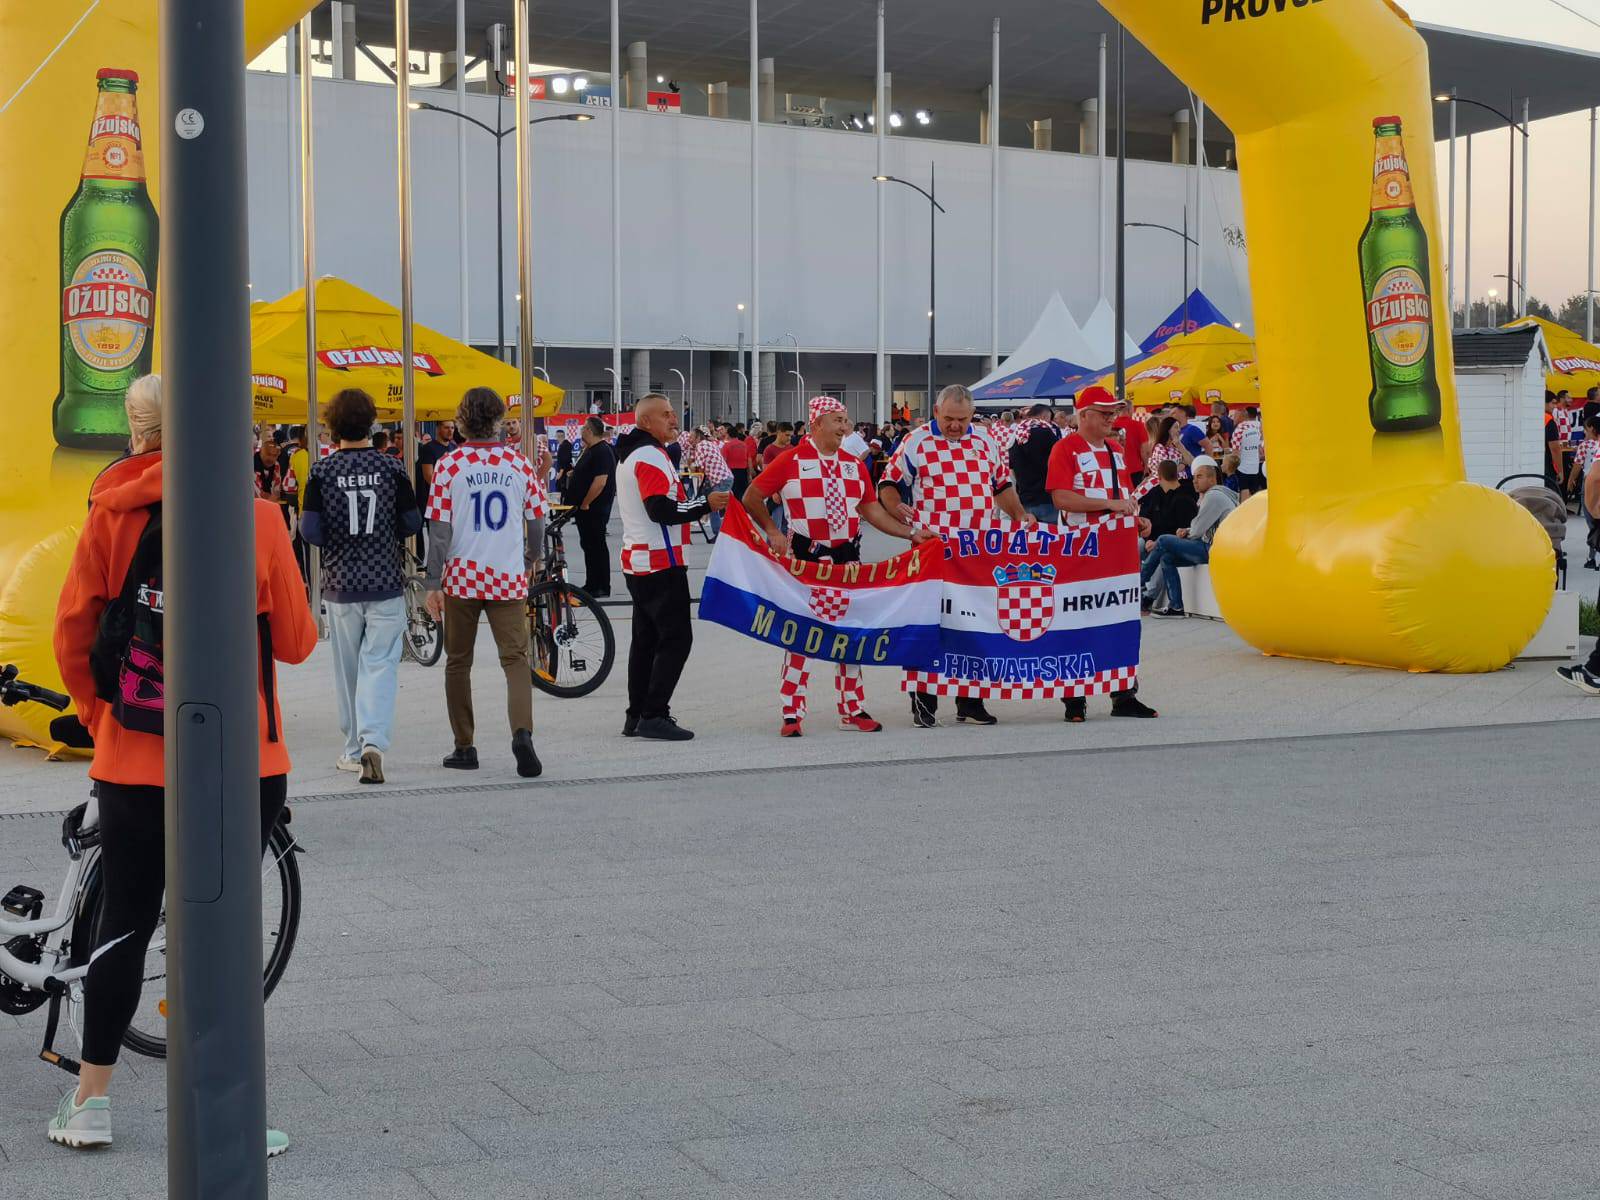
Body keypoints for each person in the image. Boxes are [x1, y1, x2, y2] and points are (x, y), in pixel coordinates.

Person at [50, 374, 317, 1155]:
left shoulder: (109, 514)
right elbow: (297, 642)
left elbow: (73, 636)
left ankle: (92, 1102)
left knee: (124, 921)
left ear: (133, 433)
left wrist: (106, 720)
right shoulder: (259, 518)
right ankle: (230, 1110)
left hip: (135, 761)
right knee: (228, 929)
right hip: (245, 758)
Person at [744, 395, 930, 736]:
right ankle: (791, 710)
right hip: (805, 563)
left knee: (850, 635)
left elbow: (871, 511)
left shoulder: (852, 465)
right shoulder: (790, 461)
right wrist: (771, 531)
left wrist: (911, 534)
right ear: (817, 424)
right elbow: (751, 496)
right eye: (838, 421)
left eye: (846, 420)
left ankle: (852, 708)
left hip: (847, 563)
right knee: (800, 636)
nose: (846, 427)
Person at [880, 384, 1036, 728]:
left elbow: (1001, 486)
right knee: (929, 625)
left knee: (975, 624)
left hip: (979, 550)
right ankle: (923, 699)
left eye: (962, 419)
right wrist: (903, 515)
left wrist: (1020, 515)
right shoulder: (916, 441)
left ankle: (971, 700)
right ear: (936, 412)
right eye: (949, 418)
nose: (955, 425)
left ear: (972, 415)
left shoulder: (985, 441)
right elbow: (888, 484)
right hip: (933, 548)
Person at [299, 387, 421, 785]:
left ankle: (352, 748)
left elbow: (310, 530)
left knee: (347, 669)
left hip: (341, 583)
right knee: (381, 666)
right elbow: (411, 522)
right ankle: (374, 743)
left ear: (332, 426)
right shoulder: (393, 469)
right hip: (384, 581)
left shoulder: (321, 471)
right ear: (372, 423)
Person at [422, 389, 546, 778]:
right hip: (507, 574)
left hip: (462, 577)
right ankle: (522, 733)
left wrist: (432, 581)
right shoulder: (518, 463)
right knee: (515, 660)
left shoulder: (448, 465)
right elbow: (537, 520)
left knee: (459, 661)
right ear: (499, 420)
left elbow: (439, 530)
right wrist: (530, 557)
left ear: (460, 421)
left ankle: (465, 745)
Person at [615, 394, 729, 739]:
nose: (674, 418)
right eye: (665, 414)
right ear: (646, 421)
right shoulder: (649, 455)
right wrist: (703, 504)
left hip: (641, 559)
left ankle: (637, 713)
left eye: (673, 413)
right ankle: (654, 713)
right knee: (676, 639)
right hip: (659, 562)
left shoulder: (634, 454)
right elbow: (661, 510)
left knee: (645, 641)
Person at [1046, 384, 1160, 722]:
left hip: (1116, 550)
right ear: (1084, 415)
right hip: (1080, 549)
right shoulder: (1065, 448)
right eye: (1105, 413)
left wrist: (1135, 518)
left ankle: (1124, 694)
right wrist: (1109, 505)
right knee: (1076, 618)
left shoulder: (1114, 448)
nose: (1113, 419)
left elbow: (1122, 494)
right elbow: (1061, 498)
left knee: (1119, 619)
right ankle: (1074, 699)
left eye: (1114, 413)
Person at [1138, 453, 1238, 620]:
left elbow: (1198, 530)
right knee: (1167, 558)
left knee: (1163, 540)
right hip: (1214, 547)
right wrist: (1186, 530)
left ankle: (1139, 583)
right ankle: (1176, 607)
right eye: (1194, 477)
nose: (1194, 481)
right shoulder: (1218, 494)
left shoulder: (1214, 496)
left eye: (1199, 477)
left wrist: (1186, 532)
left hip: (1214, 549)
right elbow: (1199, 526)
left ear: (1212, 479)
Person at [566, 415, 617, 598]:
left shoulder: (601, 451)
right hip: (585, 509)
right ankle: (592, 582)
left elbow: (600, 482)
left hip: (594, 509)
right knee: (589, 545)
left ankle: (601, 585)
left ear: (589, 430)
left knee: (596, 545)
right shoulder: (590, 449)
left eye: (583, 428)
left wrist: (586, 502)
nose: (581, 431)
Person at [1008, 403, 1062, 524]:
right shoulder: (1048, 433)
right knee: (1052, 540)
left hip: (1024, 499)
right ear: (1044, 416)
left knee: (1030, 541)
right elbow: (1060, 463)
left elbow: (1011, 469)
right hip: (1047, 498)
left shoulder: (1015, 436)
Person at [413, 418, 457, 557]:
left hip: (450, 499)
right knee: (436, 537)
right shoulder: (429, 448)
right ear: (438, 429)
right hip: (431, 500)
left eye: (452, 427)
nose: (450, 431)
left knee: (451, 536)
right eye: (446, 427)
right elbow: (428, 475)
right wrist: (445, 492)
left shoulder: (454, 448)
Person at [687, 426, 735, 537]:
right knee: (729, 507)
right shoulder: (710, 444)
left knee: (713, 506)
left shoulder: (701, 445)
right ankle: (732, 530)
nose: (690, 440)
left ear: (698, 437)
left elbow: (698, 467)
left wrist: (690, 463)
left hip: (720, 480)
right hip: (726, 477)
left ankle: (719, 534)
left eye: (692, 437)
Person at [254, 437, 292, 529]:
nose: (271, 458)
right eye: (268, 454)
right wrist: (268, 496)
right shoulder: (251, 464)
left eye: (274, 455)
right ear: (261, 451)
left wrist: (270, 496)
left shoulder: (276, 465)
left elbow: (276, 490)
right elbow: (257, 493)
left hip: (268, 508)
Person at [1229, 406, 1266, 498]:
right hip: (1255, 467)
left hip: (1243, 468)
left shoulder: (1239, 431)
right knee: (1254, 496)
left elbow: (1235, 455)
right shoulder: (1255, 429)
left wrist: (1230, 470)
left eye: (1235, 416)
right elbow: (1259, 449)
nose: (1233, 418)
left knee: (1244, 496)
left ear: (1241, 416)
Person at [1113, 401, 1151, 487]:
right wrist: (1146, 466)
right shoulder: (1138, 425)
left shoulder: (1111, 425)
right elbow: (1145, 450)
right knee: (1136, 497)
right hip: (1135, 469)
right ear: (1130, 410)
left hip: (1115, 468)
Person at [720, 421, 751, 498]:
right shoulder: (744, 445)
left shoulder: (726, 446)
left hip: (731, 472)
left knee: (732, 495)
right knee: (743, 495)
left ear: (728, 435)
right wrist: (749, 475)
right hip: (743, 473)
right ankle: (742, 509)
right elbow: (748, 460)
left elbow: (722, 461)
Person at [554, 427, 576, 498]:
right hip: (564, 472)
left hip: (564, 473)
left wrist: (560, 473)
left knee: (561, 491)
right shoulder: (564, 445)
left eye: (556, 436)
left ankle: (560, 507)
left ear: (559, 436)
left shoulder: (564, 446)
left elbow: (564, 460)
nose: (556, 438)